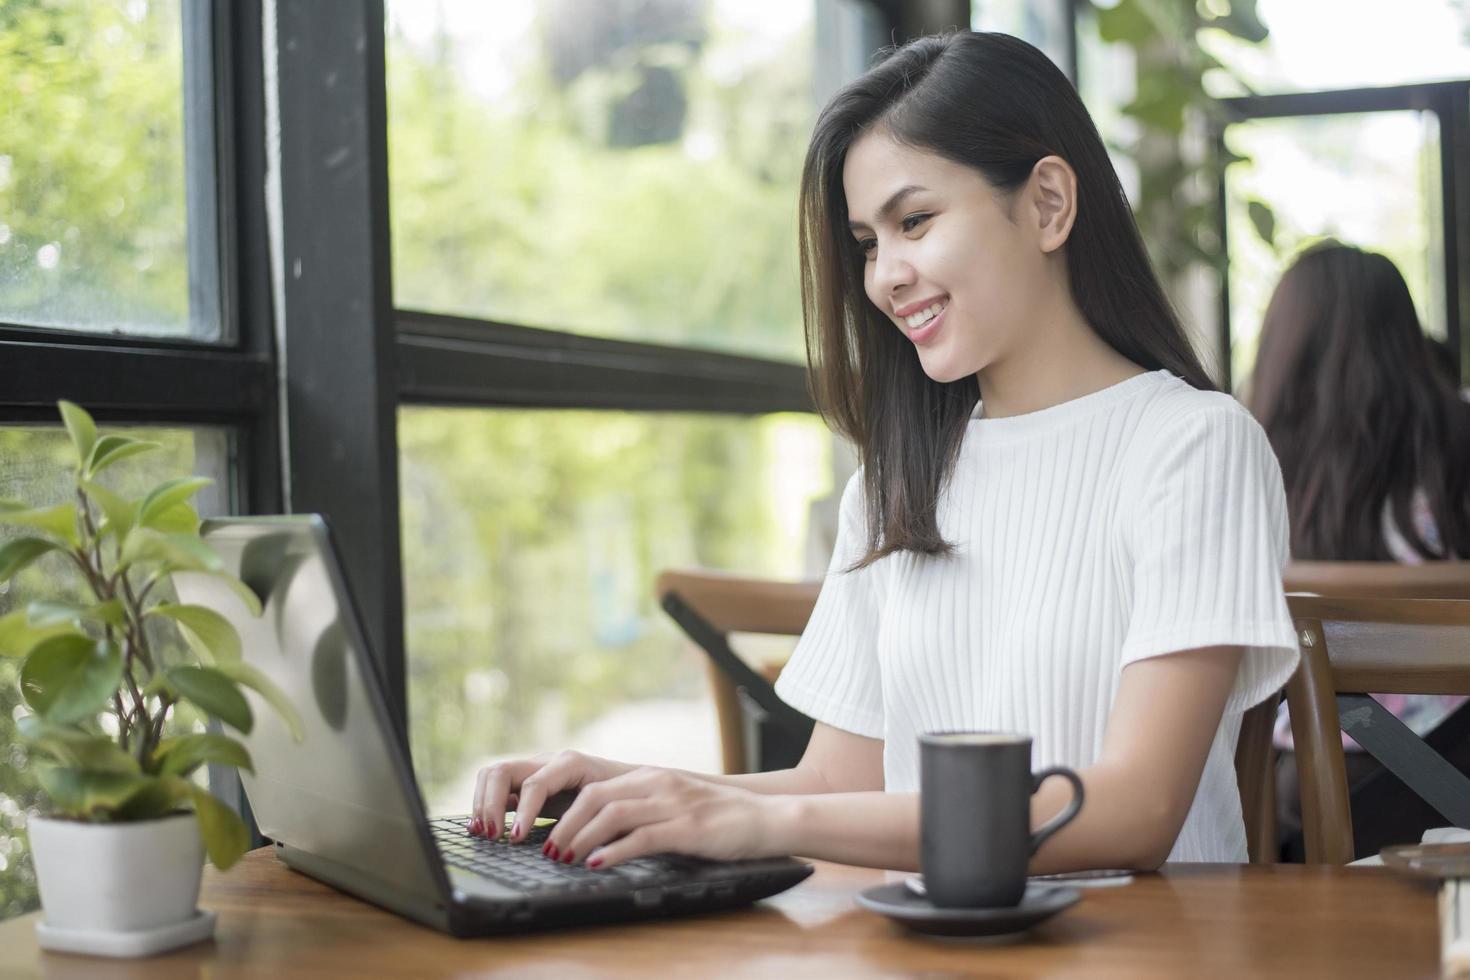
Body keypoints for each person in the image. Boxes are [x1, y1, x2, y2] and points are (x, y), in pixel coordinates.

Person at [467, 31, 1298, 873]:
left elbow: (1134, 811)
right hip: (921, 949)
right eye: (868, 242)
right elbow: (838, 780)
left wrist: (759, 825)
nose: (884, 277)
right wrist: (630, 789)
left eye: (916, 221)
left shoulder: (1193, 445)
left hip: (1146, 954)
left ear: (1048, 203)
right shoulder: (896, 484)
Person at [1246, 241, 1470, 858]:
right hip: (1450, 780)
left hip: (1297, 800)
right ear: (1406, 336)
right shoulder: (1458, 441)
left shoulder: (1246, 460)